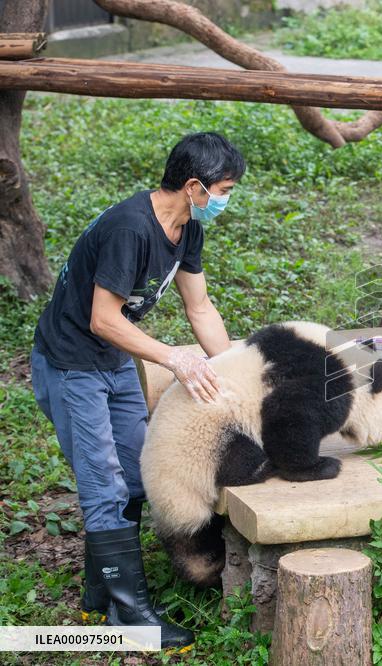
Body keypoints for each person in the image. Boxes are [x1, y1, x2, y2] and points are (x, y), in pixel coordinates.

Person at [30, 132, 245, 650]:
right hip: (71, 364)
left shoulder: (187, 227)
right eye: (223, 190)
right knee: (104, 487)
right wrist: (175, 358)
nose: (226, 200)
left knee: (135, 476)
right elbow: (103, 319)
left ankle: (98, 595)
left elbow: (200, 307)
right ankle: (131, 619)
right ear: (193, 186)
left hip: (116, 358)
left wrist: (233, 371)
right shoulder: (131, 228)